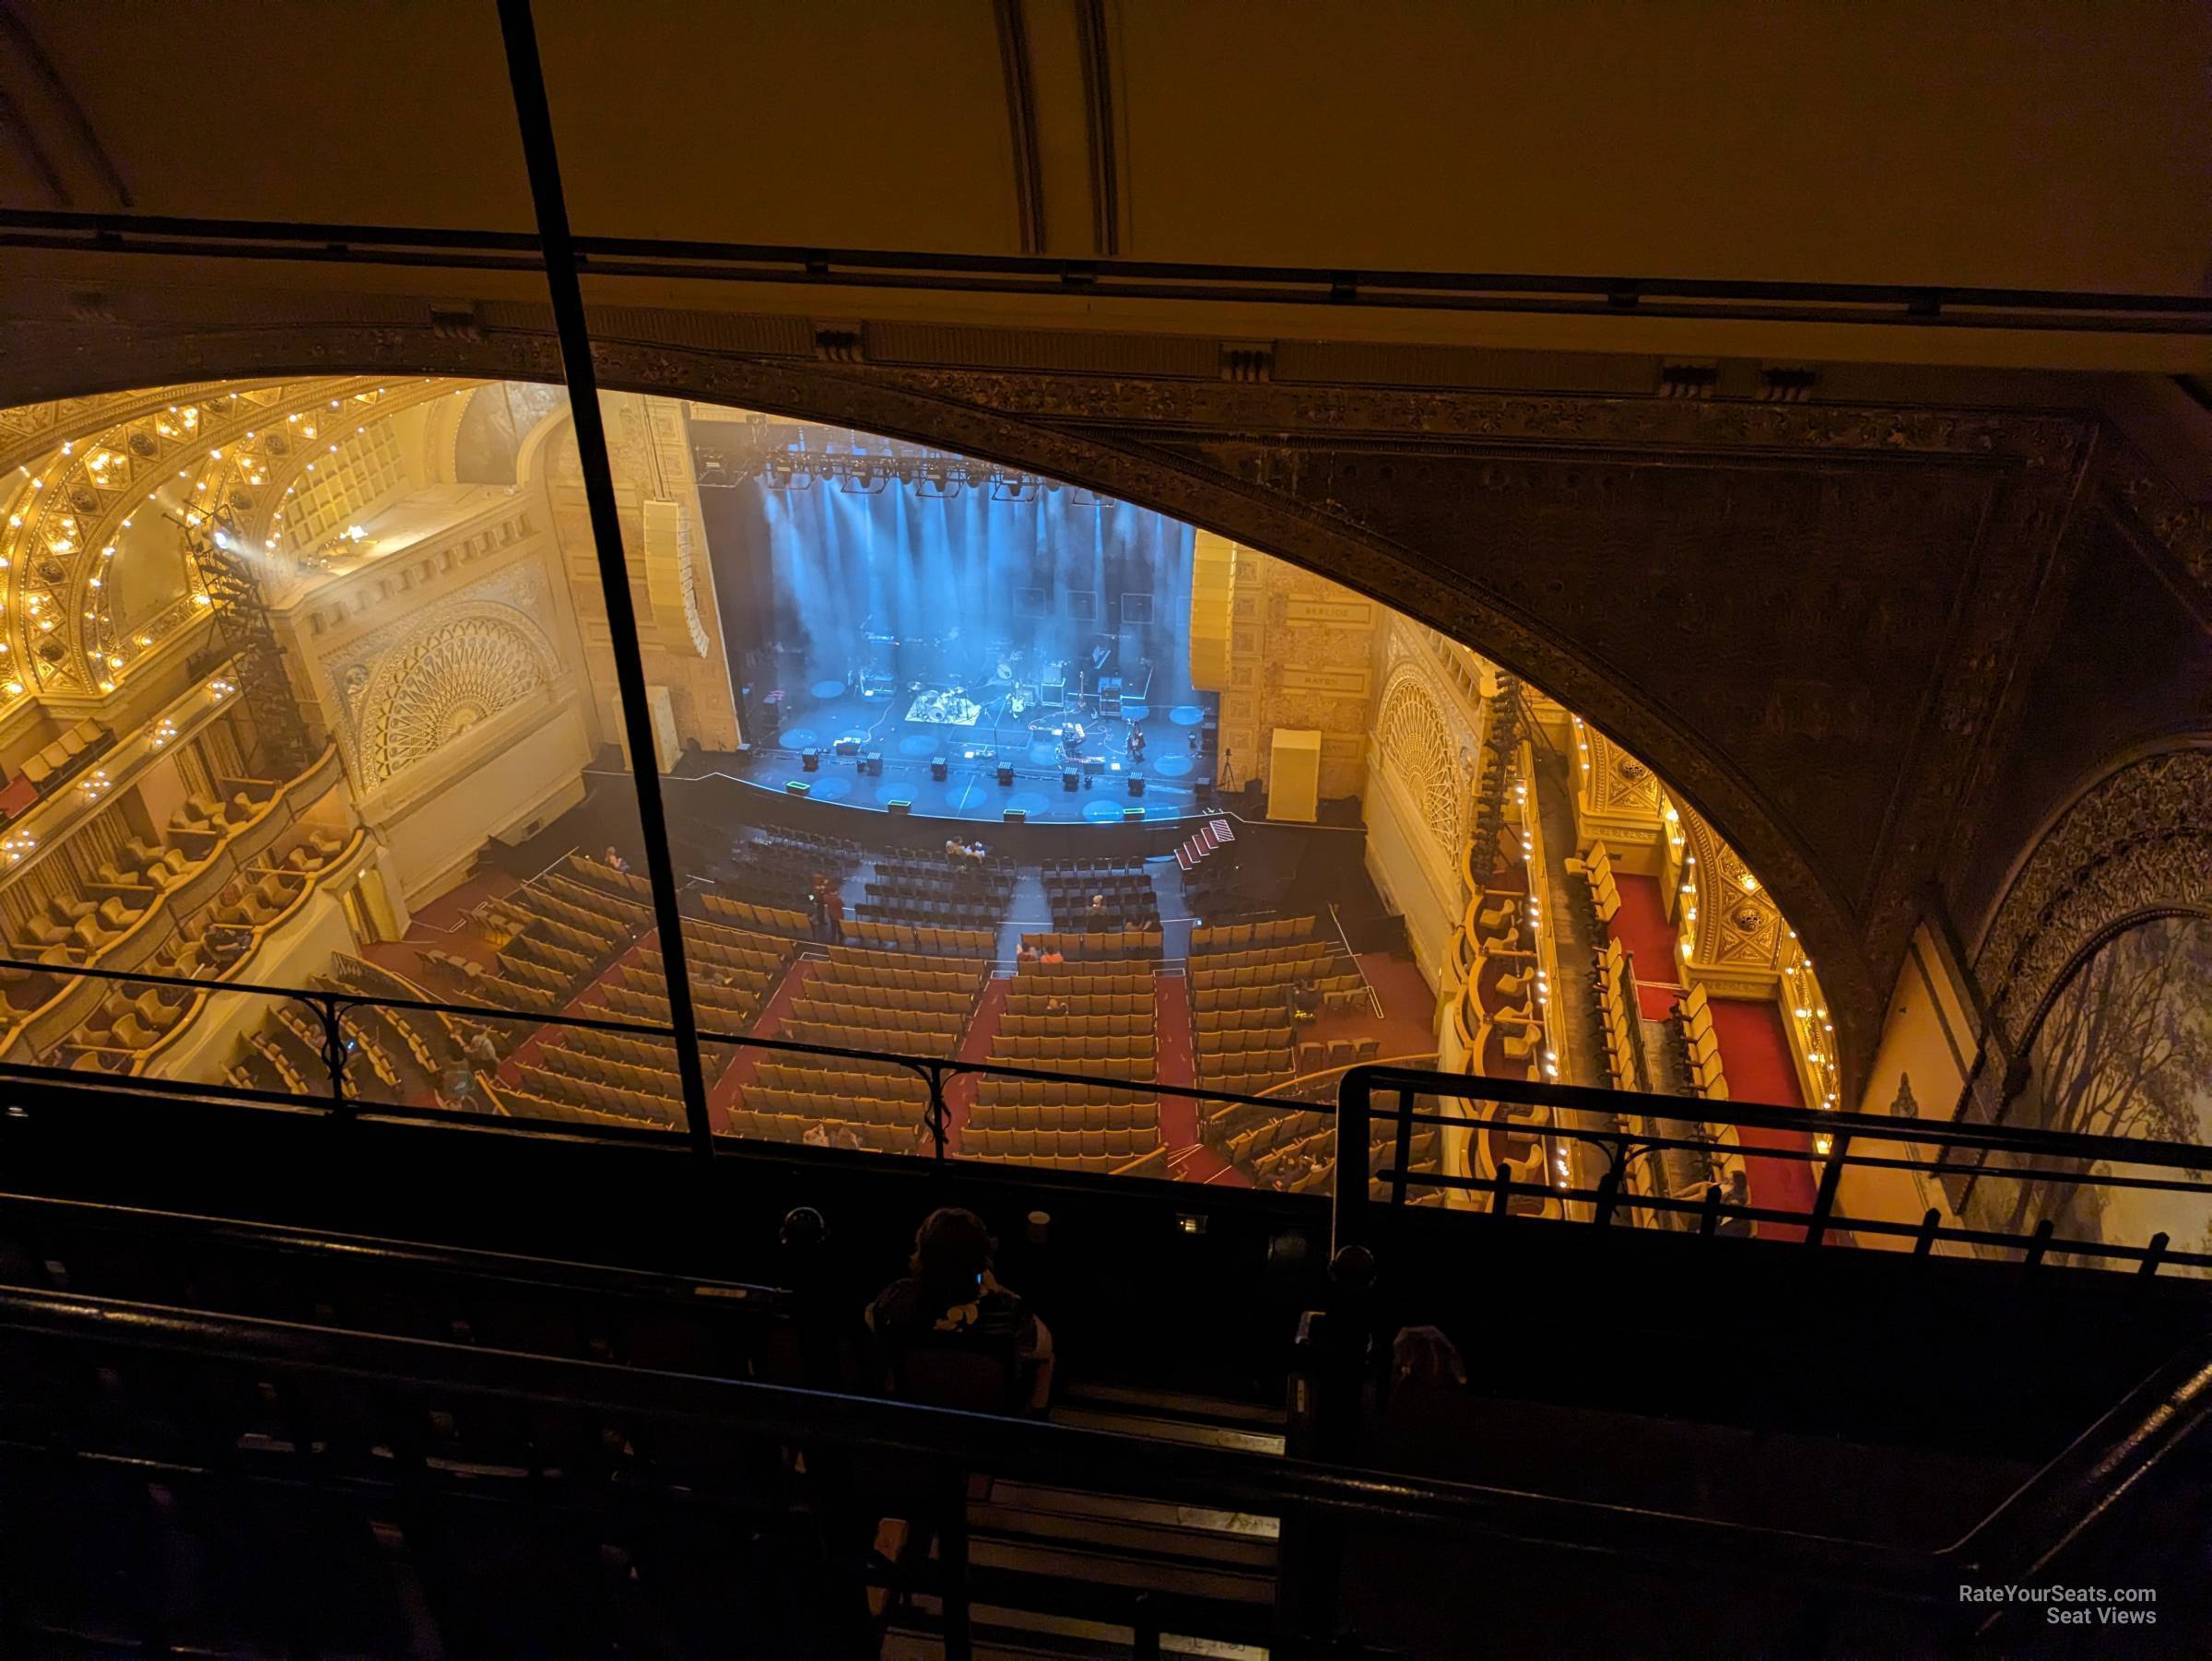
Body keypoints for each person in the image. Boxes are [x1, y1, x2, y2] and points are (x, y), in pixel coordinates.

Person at [865, 1207, 1053, 1412]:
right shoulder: (1008, 1310)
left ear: (921, 1255)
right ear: (984, 1260)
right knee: (1048, 1360)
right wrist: (997, 1291)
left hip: (919, 1414)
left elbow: (871, 1319)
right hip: (986, 1421)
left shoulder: (896, 1298)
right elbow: (1043, 1347)